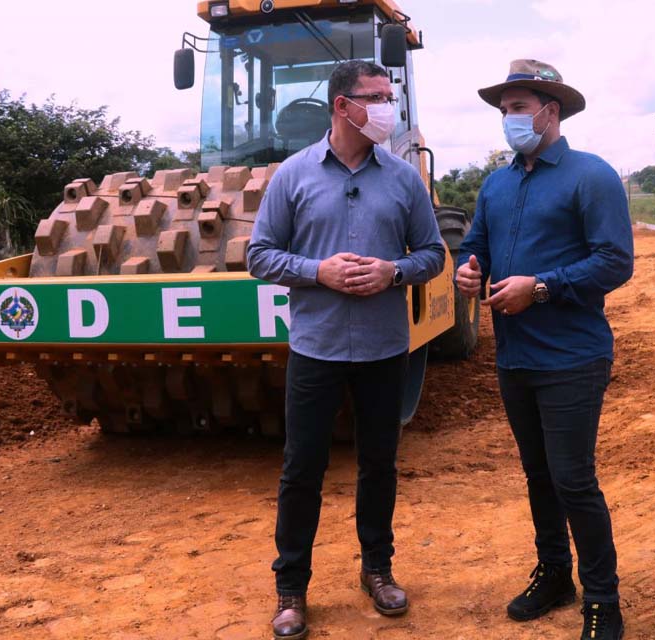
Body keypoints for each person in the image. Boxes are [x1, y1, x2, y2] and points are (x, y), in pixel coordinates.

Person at [248, 59, 446, 640]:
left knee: (379, 465)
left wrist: (394, 271)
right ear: (342, 106)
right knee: (301, 469)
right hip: (317, 348)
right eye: (377, 97)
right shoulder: (293, 175)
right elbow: (260, 256)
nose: (389, 107)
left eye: (390, 95)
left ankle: (378, 571)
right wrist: (318, 271)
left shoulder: (404, 179)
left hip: (386, 350)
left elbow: (433, 253)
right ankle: (291, 590)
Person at [456, 59, 634, 640]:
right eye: (504, 110)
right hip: (515, 358)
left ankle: (603, 601)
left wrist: (541, 287)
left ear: (550, 111)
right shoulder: (497, 183)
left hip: (572, 357)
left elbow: (615, 261)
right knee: (538, 475)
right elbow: (475, 244)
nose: (508, 119)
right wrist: (467, 267)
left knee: (573, 479)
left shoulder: (591, 176)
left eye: (516, 108)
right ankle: (556, 572)